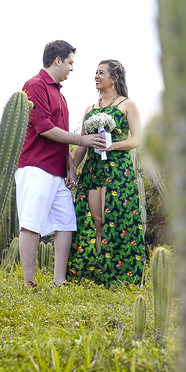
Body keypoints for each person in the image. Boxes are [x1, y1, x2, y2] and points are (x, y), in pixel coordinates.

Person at [16, 40, 109, 288]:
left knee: (66, 222)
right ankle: (29, 282)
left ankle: (59, 281)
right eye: (70, 62)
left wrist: (70, 166)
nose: (71, 68)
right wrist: (82, 139)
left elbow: (60, 136)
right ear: (57, 61)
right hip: (36, 166)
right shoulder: (35, 86)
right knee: (31, 223)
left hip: (57, 171)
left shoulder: (59, 93)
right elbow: (45, 129)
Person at [67, 59, 146, 286]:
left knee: (117, 221)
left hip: (118, 170)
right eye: (95, 73)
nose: (96, 76)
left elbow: (138, 138)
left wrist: (112, 146)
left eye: (101, 73)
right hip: (93, 169)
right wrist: (72, 167)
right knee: (97, 221)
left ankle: (118, 276)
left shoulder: (127, 104)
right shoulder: (90, 110)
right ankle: (99, 272)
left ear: (115, 78)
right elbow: (82, 143)